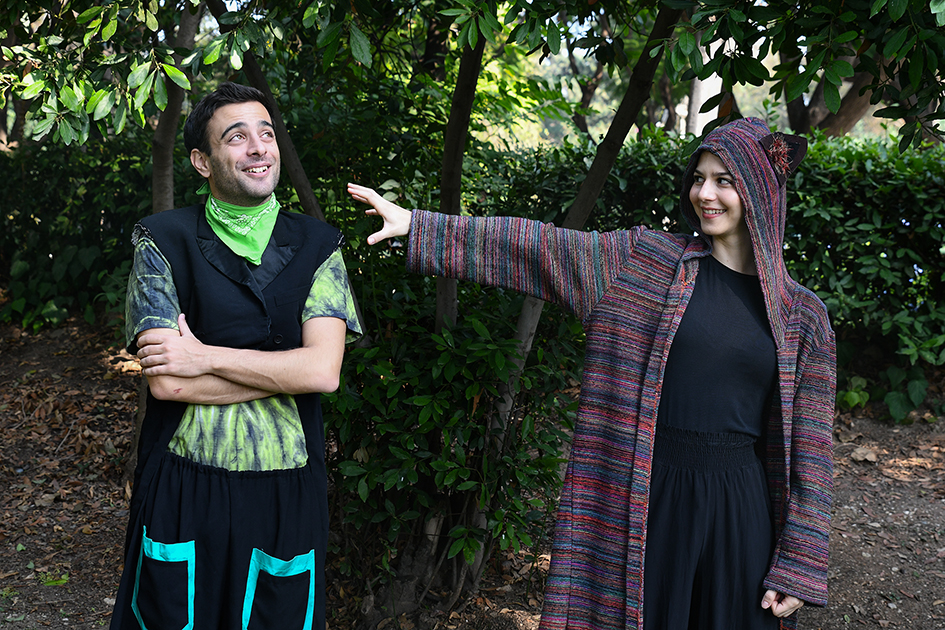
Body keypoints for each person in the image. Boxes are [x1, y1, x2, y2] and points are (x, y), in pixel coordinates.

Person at [348, 117, 835, 630]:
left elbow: (812, 453)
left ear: (759, 191)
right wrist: (420, 226)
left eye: (724, 181)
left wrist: (800, 563)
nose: (704, 194)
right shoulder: (645, 263)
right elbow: (540, 247)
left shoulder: (802, 316)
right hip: (644, 496)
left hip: (739, 510)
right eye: (699, 178)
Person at [112, 82, 361, 630]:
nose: (258, 147)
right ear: (202, 161)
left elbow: (323, 372)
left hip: (286, 488)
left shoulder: (319, 246)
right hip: (183, 483)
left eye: (266, 134)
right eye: (236, 137)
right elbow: (169, 384)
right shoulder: (161, 241)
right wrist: (286, 370)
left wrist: (203, 357)